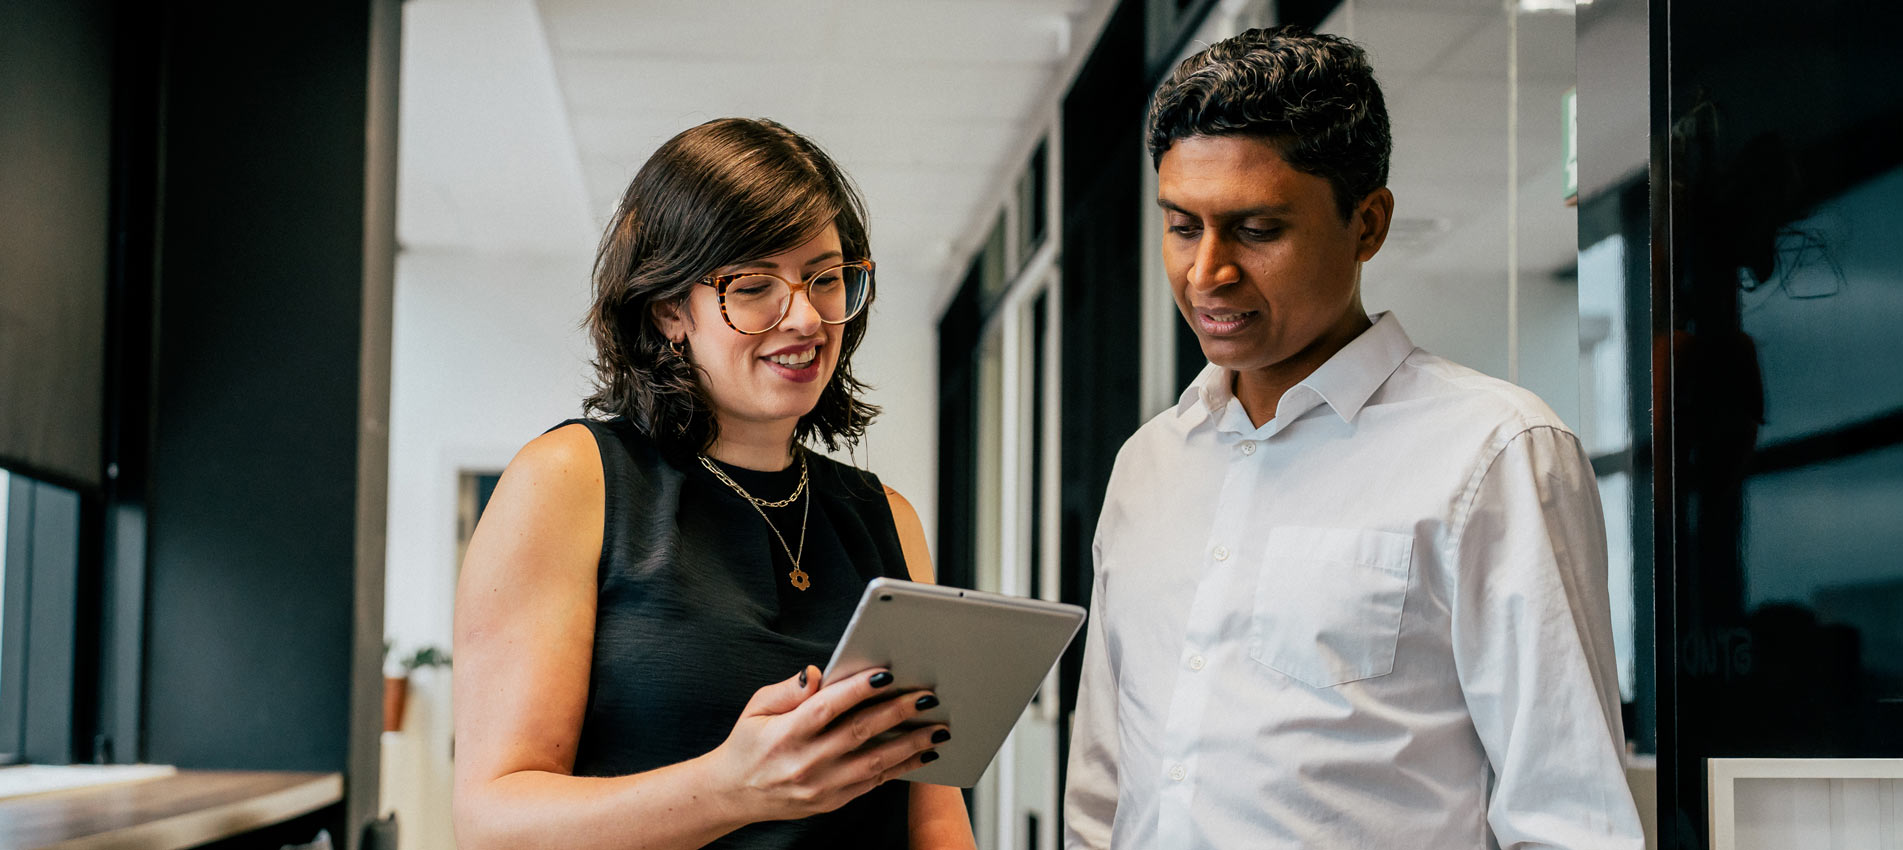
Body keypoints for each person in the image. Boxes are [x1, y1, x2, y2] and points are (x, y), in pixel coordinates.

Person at [1063, 27, 1644, 850]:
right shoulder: (1148, 464)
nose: (1206, 273)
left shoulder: (1495, 453)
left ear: (1366, 224)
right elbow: (1105, 786)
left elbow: (1570, 818)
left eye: (1257, 230)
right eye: (1183, 227)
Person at [452, 118, 976, 850]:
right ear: (671, 309)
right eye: (754, 285)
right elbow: (490, 823)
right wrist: (730, 789)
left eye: (825, 279)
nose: (804, 317)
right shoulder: (572, 481)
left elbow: (934, 816)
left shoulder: (886, 518)